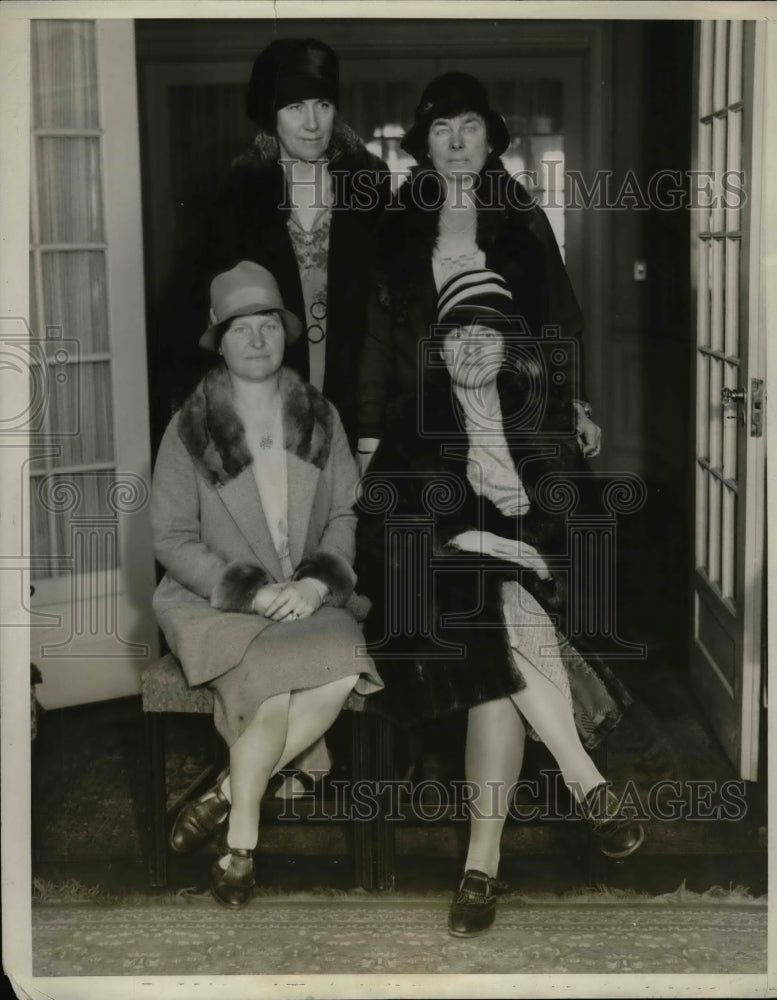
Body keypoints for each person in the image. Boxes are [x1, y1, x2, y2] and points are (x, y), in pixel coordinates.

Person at [356, 271, 644, 938]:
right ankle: (586, 783)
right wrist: (477, 532)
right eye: (458, 336)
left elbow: (580, 527)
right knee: (490, 604)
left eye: (487, 335)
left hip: (521, 604)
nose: (471, 349)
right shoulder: (409, 419)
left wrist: (530, 517)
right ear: (440, 348)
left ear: (509, 348)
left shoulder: (538, 417)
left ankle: (478, 869)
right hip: (425, 604)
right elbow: (376, 530)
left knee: (496, 657)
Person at [150, 261, 383, 908]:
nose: (256, 339)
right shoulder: (188, 429)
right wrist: (250, 592)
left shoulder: (320, 416)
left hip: (306, 594)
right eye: (239, 329)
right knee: (275, 695)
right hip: (216, 603)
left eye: (268, 326)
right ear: (218, 341)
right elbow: (170, 539)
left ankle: (226, 793)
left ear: (286, 334)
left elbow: (343, 514)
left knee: (341, 667)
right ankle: (243, 842)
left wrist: (315, 584)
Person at [357, 70, 601, 470]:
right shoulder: (397, 225)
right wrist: (369, 436)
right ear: (426, 147)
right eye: (441, 129)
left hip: (513, 425)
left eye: (469, 127)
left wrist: (575, 404)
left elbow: (561, 321)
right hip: (421, 428)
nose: (456, 142)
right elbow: (377, 340)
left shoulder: (523, 219)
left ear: (488, 142)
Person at [223, 36, 390, 447]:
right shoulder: (237, 196)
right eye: (295, 107)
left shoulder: (372, 190)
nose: (312, 123)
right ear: (271, 114)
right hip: (263, 412)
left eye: (323, 105)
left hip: (359, 407)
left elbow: (391, 317)